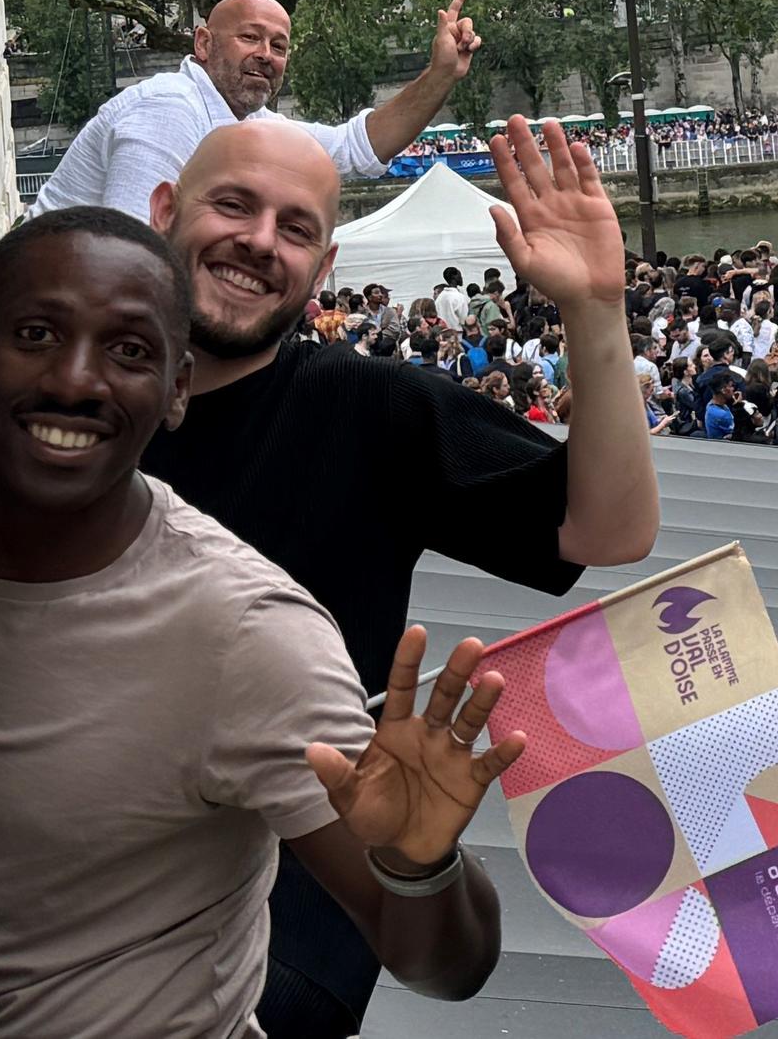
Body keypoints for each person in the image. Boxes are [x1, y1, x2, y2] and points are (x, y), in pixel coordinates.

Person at [0, 207, 516, 1037]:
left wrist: (421, 865)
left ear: (177, 391)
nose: (75, 380)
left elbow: (447, 967)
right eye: (38, 332)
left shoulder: (246, 633)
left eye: (129, 351)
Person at [139, 116, 658, 1039]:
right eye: (234, 205)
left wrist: (593, 308)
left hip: (289, 933)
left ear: (324, 266)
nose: (259, 241)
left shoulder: (365, 407)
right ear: (164, 211)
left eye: (295, 229)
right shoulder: (87, 396)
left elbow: (607, 529)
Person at [38, 0, 481, 217]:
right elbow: (131, 257)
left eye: (279, 45)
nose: (265, 54)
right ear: (205, 44)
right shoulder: (167, 109)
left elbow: (355, 148)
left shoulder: (250, 123)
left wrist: (440, 75)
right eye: (250, 37)